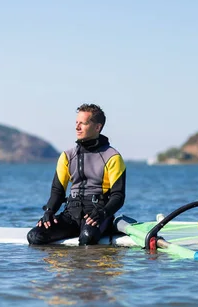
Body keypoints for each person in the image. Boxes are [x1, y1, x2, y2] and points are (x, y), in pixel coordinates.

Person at [27, 103, 126, 246]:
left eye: (83, 123)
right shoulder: (67, 156)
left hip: (97, 214)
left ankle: (103, 234)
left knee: (87, 237)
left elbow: (118, 196)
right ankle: (66, 266)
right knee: (35, 236)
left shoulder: (113, 157)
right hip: (71, 214)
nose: (77, 127)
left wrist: (103, 213)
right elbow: (57, 191)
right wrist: (49, 211)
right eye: (76, 123)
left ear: (97, 127)